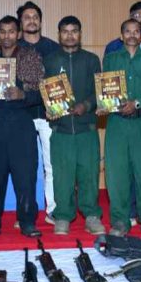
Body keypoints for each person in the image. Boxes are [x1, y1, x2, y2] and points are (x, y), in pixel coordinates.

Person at [0, 16, 44, 239]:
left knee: (25, 177)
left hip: (21, 124)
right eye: (3, 31)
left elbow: (42, 93)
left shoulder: (30, 58)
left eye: (11, 31)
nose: (7, 36)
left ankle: (27, 222)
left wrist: (23, 94)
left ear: (18, 34)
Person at [102, 19, 141, 237]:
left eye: (136, 32)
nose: (131, 35)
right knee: (116, 174)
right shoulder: (110, 59)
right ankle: (120, 222)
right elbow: (104, 90)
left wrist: (138, 103)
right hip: (117, 124)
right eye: (127, 31)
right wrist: (104, 104)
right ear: (121, 36)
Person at [43, 15, 104, 236]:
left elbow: (100, 92)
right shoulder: (49, 60)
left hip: (86, 129)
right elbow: (44, 91)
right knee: (62, 177)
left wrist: (85, 105)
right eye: (65, 31)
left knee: (89, 175)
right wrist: (48, 108)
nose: (70, 35)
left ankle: (92, 216)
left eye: (74, 31)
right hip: (60, 131)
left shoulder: (91, 60)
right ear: (59, 34)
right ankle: (62, 217)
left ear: (80, 34)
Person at [16, 1, 60, 224]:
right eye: (27, 17)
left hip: (48, 115)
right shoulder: (13, 49)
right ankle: (25, 212)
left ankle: (53, 210)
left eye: (35, 17)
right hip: (21, 116)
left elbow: (60, 83)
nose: (31, 20)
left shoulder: (53, 48)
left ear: (40, 21)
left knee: (51, 165)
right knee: (24, 167)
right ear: (20, 22)